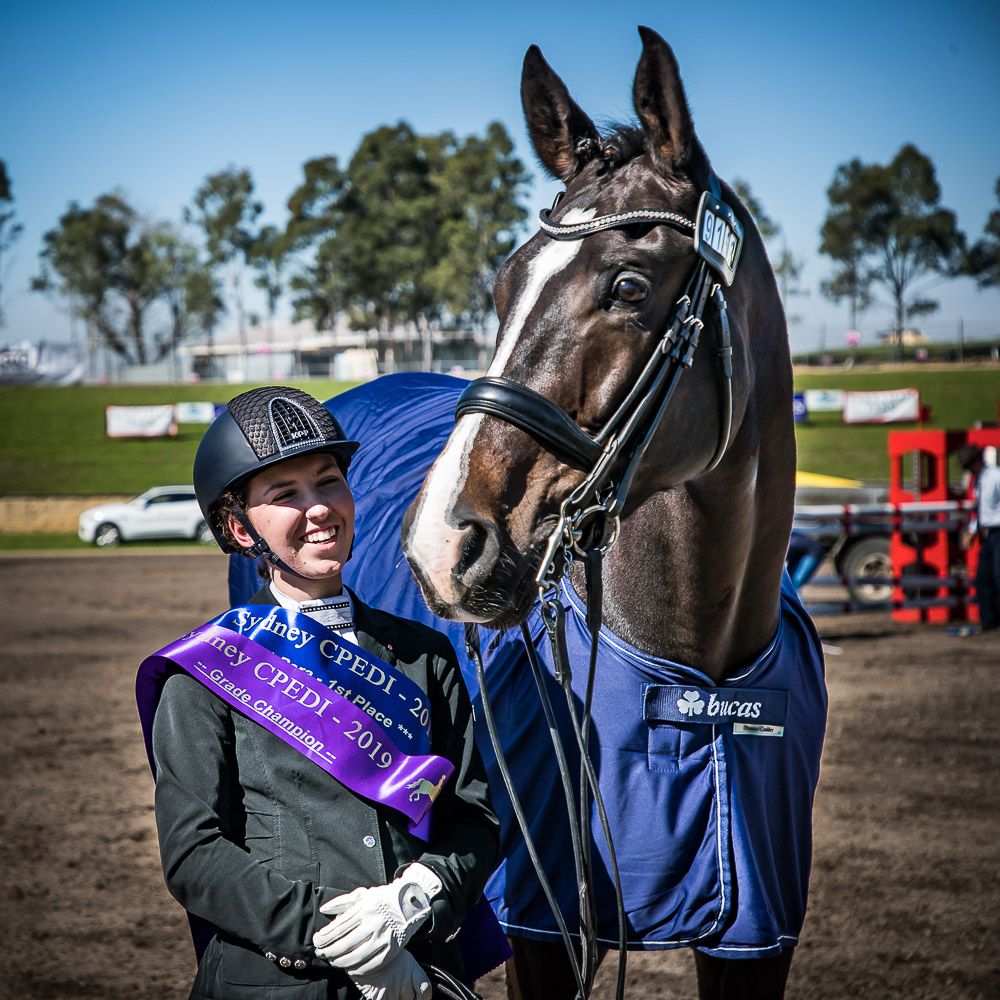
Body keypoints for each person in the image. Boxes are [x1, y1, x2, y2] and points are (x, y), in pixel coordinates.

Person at [138, 386, 500, 999]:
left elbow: (473, 819)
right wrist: (341, 939)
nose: (319, 509)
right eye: (285, 495)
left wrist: (411, 903)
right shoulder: (202, 673)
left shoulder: (424, 656)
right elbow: (195, 855)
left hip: (418, 975)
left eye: (328, 482)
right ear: (238, 526)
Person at [959, 444, 1000, 632]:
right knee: (983, 578)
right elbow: (980, 510)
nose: (969, 470)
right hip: (989, 533)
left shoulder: (995, 476)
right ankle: (989, 619)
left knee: (997, 575)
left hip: (997, 531)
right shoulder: (979, 481)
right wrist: (972, 531)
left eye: (968, 465)